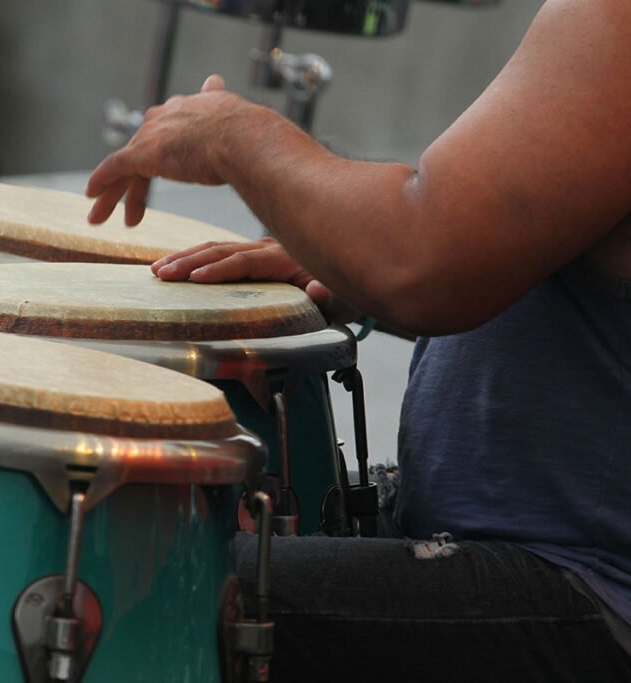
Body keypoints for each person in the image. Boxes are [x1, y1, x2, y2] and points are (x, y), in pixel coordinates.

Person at [85, 0, 631, 679]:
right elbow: (506, 260)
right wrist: (346, 258)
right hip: (551, 558)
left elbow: (423, 260)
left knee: (145, 578)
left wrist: (234, 134)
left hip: (588, 593)